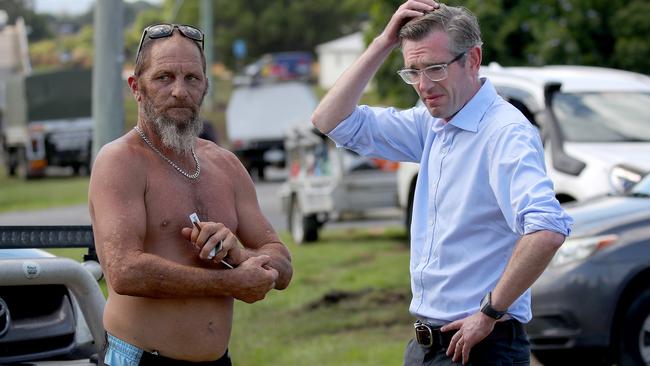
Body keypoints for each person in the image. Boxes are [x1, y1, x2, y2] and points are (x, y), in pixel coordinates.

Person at [311, 1, 573, 365]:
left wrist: (489, 313)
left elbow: (546, 228)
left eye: (434, 69)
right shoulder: (432, 123)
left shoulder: (505, 133)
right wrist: (384, 42)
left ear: (473, 59)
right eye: (413, 72)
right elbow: (330, 120)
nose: (423, 85)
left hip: (481, 346)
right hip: (426, 344)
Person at [89, 23, 292, 366]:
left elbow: (283, 266)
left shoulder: (224, 164)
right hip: (141, 358)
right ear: (136, 87)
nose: (180, 91)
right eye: (164, 77)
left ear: (205, 88)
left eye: (192, 79)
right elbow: (125, 272)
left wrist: (238, 255)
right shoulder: (120, 161)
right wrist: (229, 281)